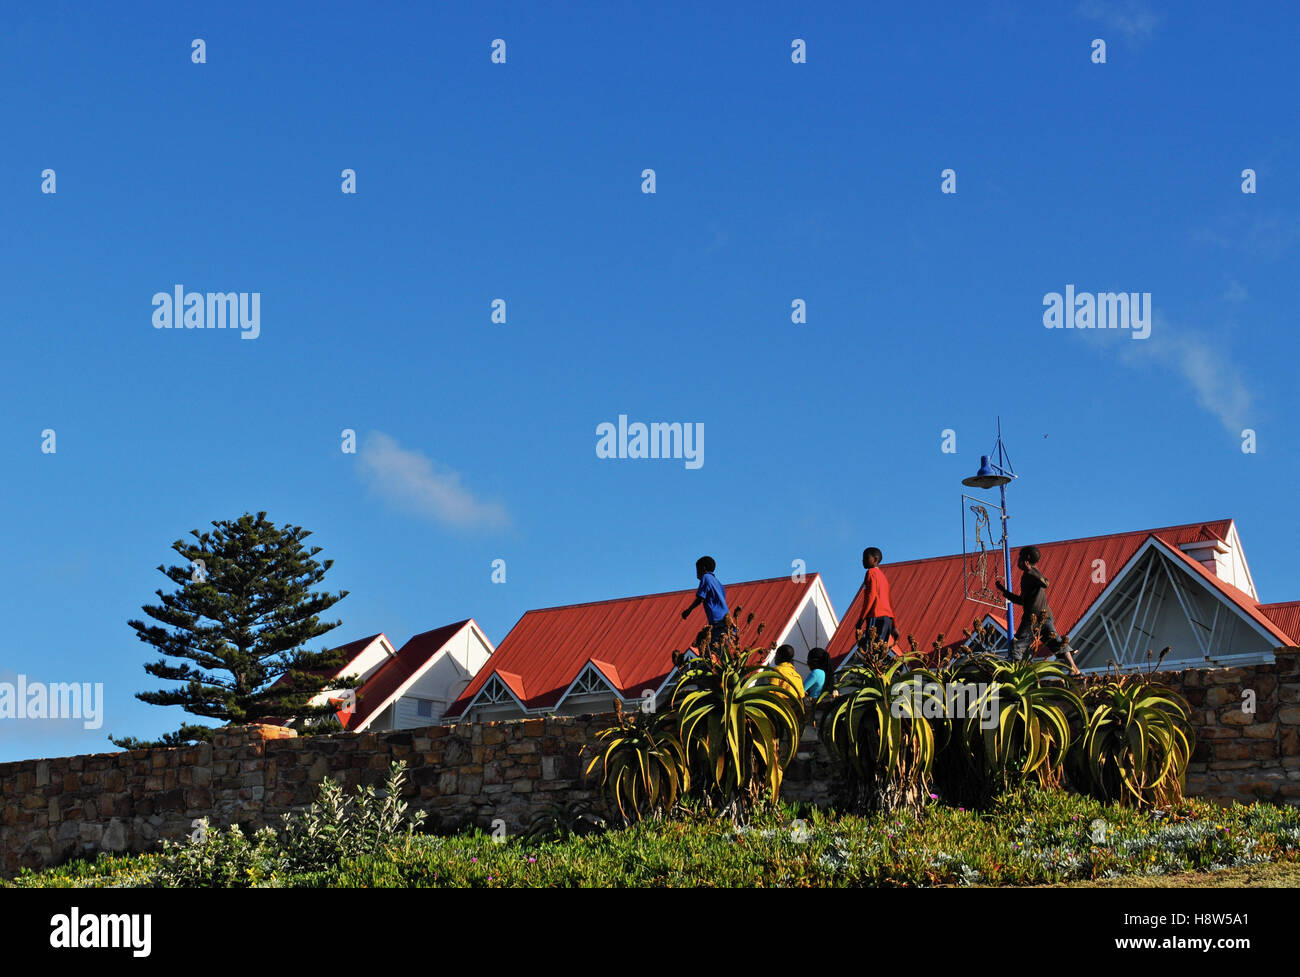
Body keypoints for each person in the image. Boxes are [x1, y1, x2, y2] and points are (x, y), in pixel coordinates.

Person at [997, 545, 1081, 675]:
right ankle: (1075, 670)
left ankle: (1017, 674)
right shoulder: (1027, 576)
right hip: (1042, 615)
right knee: (1057, 643)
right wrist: (1005, 592)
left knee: (1017, 645)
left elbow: (1045, 583)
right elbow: (1022, 600)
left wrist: (1030, 570)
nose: (1018, 562)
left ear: (1027, 560)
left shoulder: (1031, 573)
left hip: (1033, 617)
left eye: (1020, 559)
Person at [681, 555, 730, 647]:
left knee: (713, 648)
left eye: (697, 569)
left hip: (717, 621)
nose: (696, 573)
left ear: (703, 568)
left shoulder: (706, 577)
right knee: (723, 647)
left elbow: (700, 598)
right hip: (725, 620)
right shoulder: (717, 582)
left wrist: (688, 610)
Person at [855, 547, 896, 653]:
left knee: (871, 648)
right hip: (888, 619)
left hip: (875, 615)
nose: (862, 560)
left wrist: (861, 618)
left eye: (865, 558)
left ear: (875, 559)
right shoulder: (883, 577)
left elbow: (870, 596)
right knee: (881, 649)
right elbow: (890, 602)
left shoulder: (871, 573)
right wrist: (894, 625)